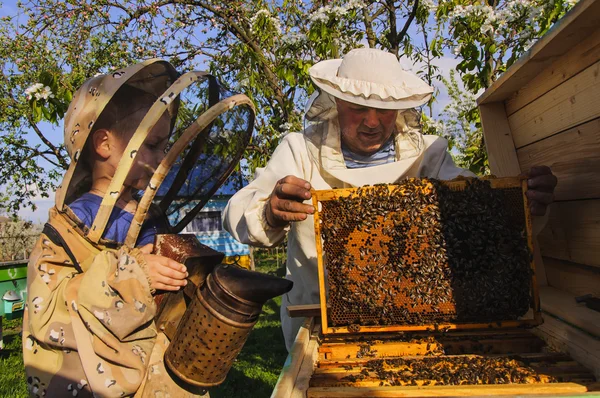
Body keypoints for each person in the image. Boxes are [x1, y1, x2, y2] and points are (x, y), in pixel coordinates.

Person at [223, 48, 557, 351]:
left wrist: (526, 205)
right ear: (336, 102)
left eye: (384, 110)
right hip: (317, 323)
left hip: (415, 324)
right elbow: (239, 214)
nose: (372, 122)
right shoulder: (300, 150)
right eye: (358, 108)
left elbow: (487, 221)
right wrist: (269, 212)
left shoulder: (429, 156)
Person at [22, 60, 198, 397]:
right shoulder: (72, 224)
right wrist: (132, 273)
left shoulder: (152, 217)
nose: (162, 157)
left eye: (164, 145)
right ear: (104, 144)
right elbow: (47, 312)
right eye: (151, 145)